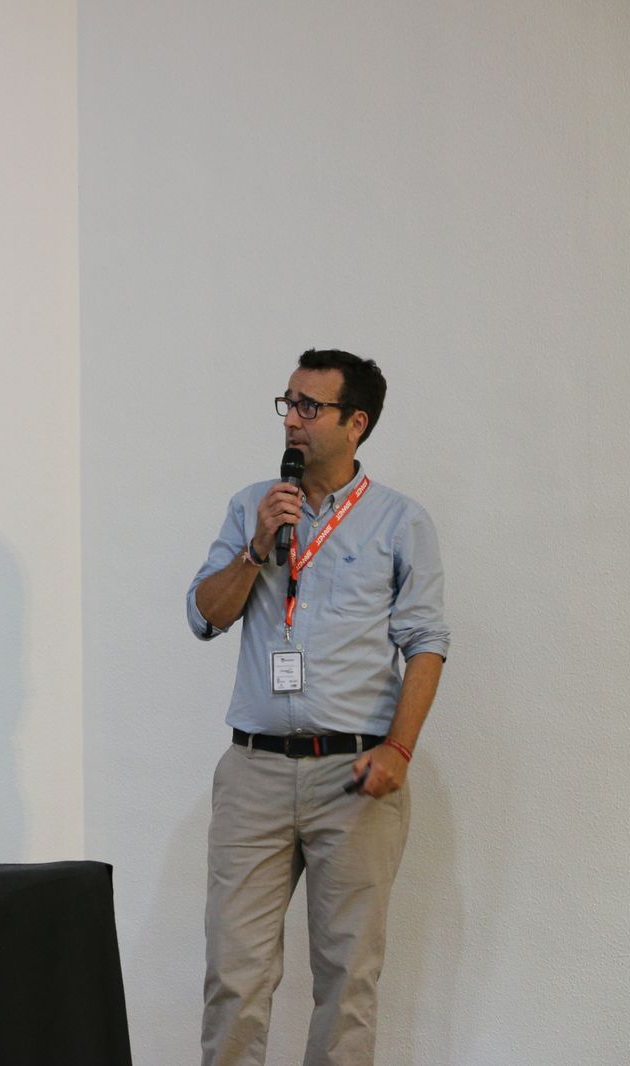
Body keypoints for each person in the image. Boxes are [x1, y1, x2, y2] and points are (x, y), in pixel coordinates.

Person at [187, 349, 450, 1065]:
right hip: (255, 773)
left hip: (354, 776)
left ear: (355, 423)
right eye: (289, 403)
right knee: (234, 976)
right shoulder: (252, 506)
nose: (293, 420)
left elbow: (426, 643)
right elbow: (204, 617)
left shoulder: (400, 522)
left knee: (347, 982)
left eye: (310, 407)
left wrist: (397, 751)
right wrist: (255, 549)